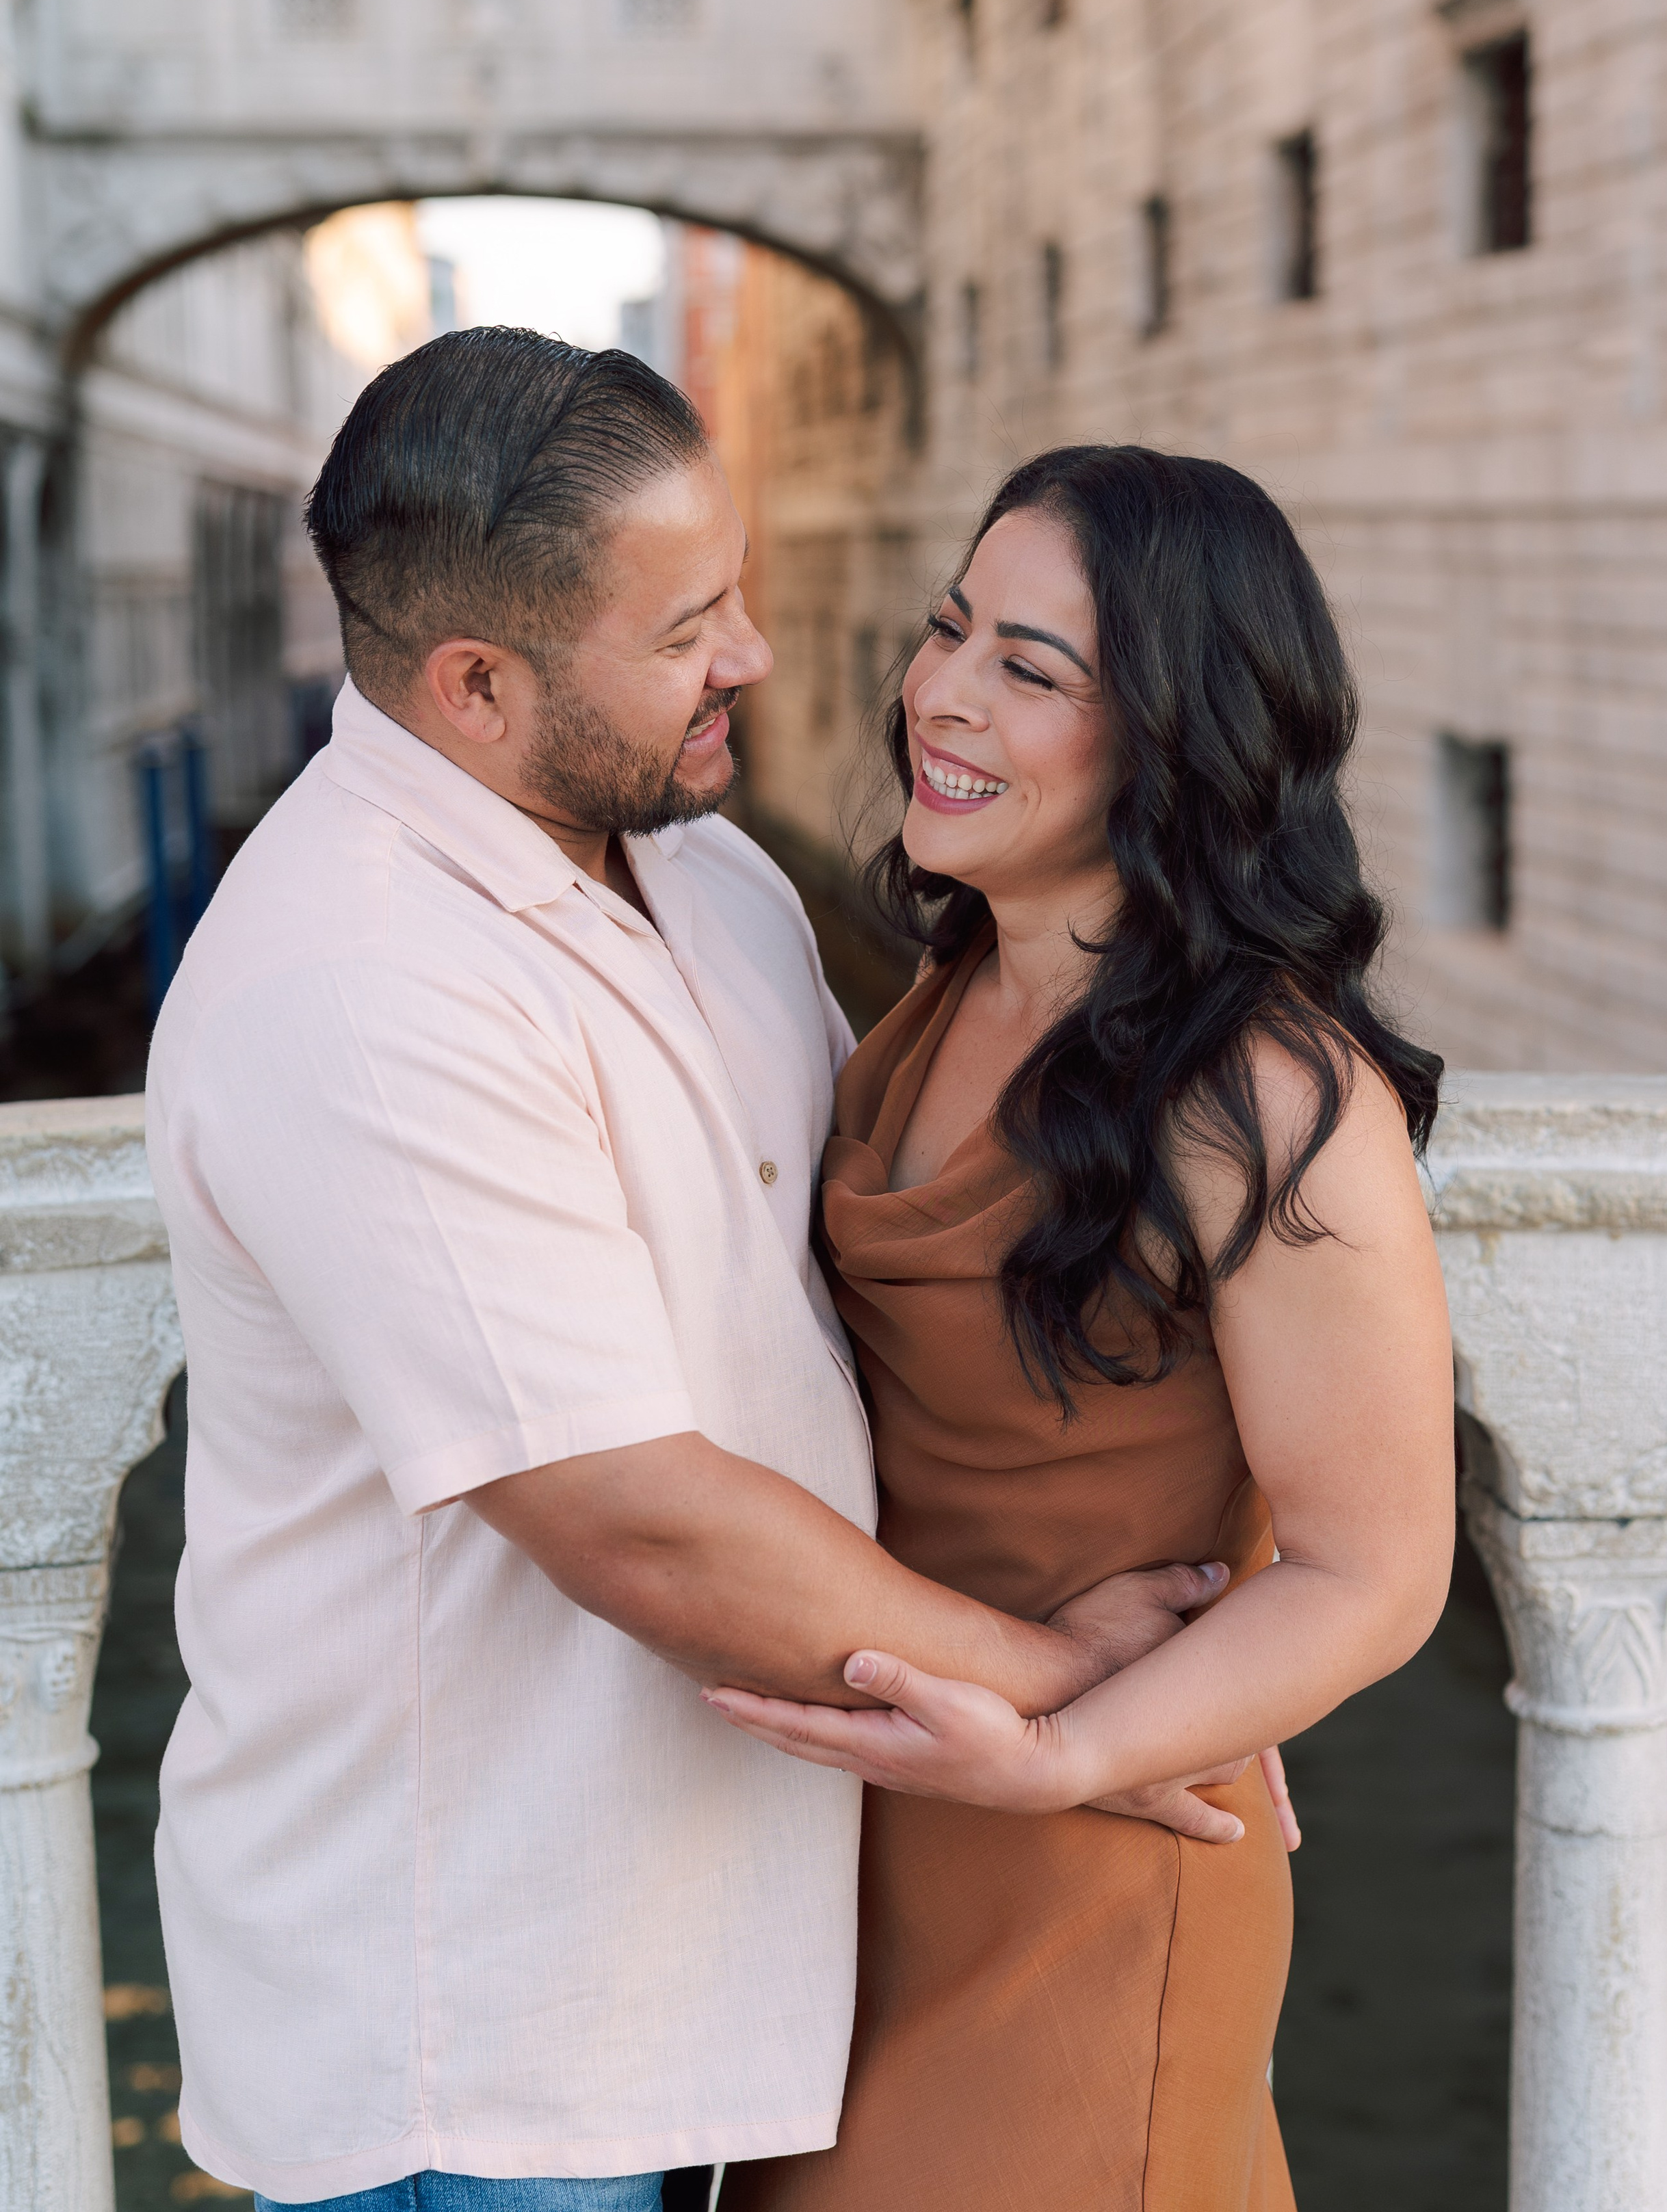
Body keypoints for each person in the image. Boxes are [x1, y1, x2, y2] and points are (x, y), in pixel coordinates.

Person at [145, 339, 1235, 2212]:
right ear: (476, 687)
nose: (752, 657)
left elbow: (856, 1276)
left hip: (720, 1969)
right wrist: (1068, 1703)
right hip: (476, 2052)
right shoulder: (361, 985)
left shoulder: (713, 875)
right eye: (687, 628)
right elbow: (633, 1516)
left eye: (737, 595)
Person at [711, 447, 1458, 2212]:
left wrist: (1062, 1749)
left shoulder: (1265, 1088)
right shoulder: (953, 978)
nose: (940, 696)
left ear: (1173, 739)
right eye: (951, 629)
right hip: (879, 1842)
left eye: (1031, 672)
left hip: (1094, 1858)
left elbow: (1380, 1568)